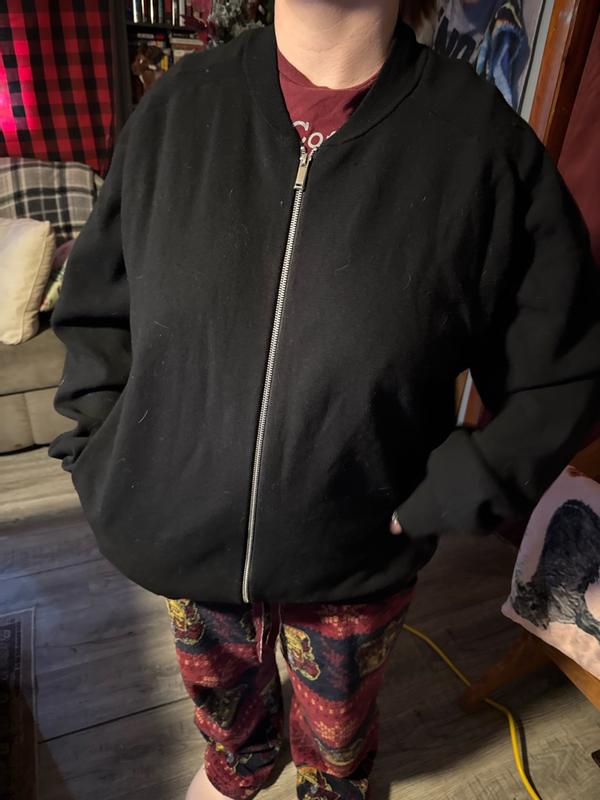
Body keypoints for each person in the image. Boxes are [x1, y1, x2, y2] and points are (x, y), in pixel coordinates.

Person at [47, 1, 600, 798]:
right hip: (184, 534)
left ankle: (334, 783)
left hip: (359, 554)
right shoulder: (177, 109)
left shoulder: (482, 145)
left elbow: (563, 364)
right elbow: (100, 307)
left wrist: (465, 484)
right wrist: (98, 447)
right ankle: (239, 764)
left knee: (339, 731)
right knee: (221, 695)